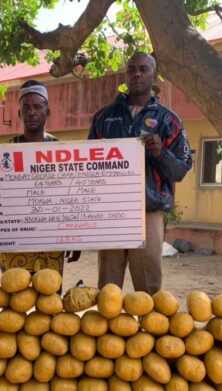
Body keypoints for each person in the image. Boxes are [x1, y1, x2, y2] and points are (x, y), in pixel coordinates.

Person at [88, 52, 192, 294]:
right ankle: (107, 331)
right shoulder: (103, 117)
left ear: (153, 74)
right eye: (132, 68)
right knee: (108, 287)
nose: (137, 73)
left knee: (149, 289)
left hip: (148, 211)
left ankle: (149, 330)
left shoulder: (168, 120)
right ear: (126, 74)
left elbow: (180, 170)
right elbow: (89, 166)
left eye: (143, 69)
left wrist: (160, 153)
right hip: (110, 214)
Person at [0, 80, 80, 277]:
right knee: (14, 302)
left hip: (51, 246)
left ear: (48, 111)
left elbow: (70, 198)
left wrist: (75, 239)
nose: (31, 112)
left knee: (49, 301)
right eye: (26, 108)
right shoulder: (3, 152)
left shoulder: (62, 150)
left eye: (37, 106)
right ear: (19, 113)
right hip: (15, 244)